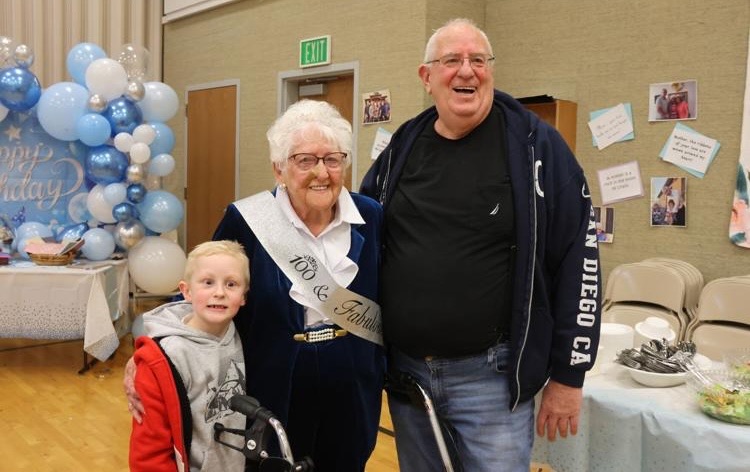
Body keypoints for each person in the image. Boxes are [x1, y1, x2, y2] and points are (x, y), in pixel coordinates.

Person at [360, 18, 601, 472]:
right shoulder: (401, 148)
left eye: (478, 60)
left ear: (491, 70)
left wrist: (569, 374)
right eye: (451, 60)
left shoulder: (537, 146)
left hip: (492, 381)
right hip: (409, 377)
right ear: (426, 77)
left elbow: (579, 259)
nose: (466, 71)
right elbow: (360, 237)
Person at [125, 99, 385, 471]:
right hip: (272, 382)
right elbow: (204, 292)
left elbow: (391, 296)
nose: (322, 172)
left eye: (333, 159)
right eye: (305, 160)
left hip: (352, 381)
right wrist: (149, 357)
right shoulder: (247, 219)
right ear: (279, 169)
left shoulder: (370, 216)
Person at [129, 240, 250, 471]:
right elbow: (148, 448)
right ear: (186, 291)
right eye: (208, 282)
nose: (219, 293)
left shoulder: (240, 335)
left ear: (244, 297)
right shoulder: (166, 357)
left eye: (231, 284)